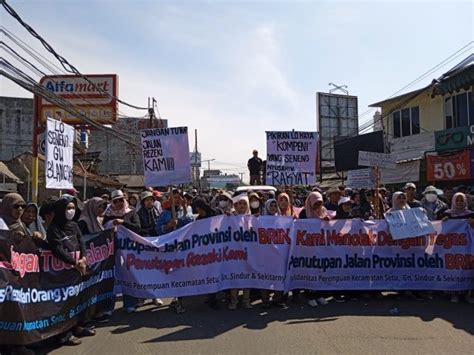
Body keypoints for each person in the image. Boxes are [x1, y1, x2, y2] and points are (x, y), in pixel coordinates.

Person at [47, 197, 95, 345]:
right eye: (68, 208)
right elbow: (57, 249)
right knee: (64, 304)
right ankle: (64, 334)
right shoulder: (54, 228)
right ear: (61, 210)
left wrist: (84, 258)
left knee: (77, 300)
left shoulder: (74, 225)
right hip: (62, 272)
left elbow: (81, 242)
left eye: (73, 208)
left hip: (77, 269)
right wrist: (74, 262)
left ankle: (77, 326)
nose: (71, 211)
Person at [155, 190, 194, 313]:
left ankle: (178, 299)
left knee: (180, 273)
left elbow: (190, 224)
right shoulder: (165, 214)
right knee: (168, 272)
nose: (176, 200)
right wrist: (167, 226)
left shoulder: (187, 210)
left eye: (178, 198)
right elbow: (158, 229)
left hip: (182, 247)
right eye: (174, 197)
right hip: (169, 247)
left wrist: (184, 208)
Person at [440, 192, 474, 303]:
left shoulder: (471, 215)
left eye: (461, 200)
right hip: (452, 249)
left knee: (466, 271)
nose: (459, 203)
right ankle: (453, 293)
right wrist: (443, 222)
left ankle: (467, 294)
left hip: (467, 249)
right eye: (457, 200)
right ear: (453, 201)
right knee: (453, 271)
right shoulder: (447, 214)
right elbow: (439, 230)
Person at [299, 191, 330, 307]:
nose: (317, 206)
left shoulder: (323, 211)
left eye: (319, 203)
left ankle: (319, 295)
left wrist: (327, 221)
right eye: (315, 203)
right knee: (309, 271)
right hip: (307, 247)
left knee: (320, 270)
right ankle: (309, 295)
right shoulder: (303, 213)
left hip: (321, 246)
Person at [229, 194, 252, 309]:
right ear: (236, 205)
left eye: (244, 204)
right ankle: (234, 301)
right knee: (235, 278)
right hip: (234, 254)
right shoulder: (231, 218)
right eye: (240, 204)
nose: (242, 206)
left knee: (246, 279)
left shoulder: (253, 219)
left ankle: (246, 300)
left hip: (247, 254)